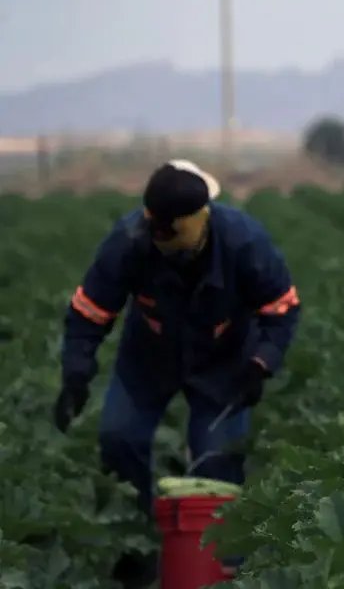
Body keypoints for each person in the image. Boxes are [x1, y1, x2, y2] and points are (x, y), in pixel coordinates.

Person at [52, 159, 300, 582]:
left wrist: (260, 365)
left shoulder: (243, 242)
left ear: (200, 219)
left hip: (224, 363)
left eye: (173, 230)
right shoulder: (129, 241)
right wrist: (76, 372)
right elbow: (89, 312)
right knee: (119, 438)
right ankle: (138, 544)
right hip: (148, 359)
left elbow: (281, 310)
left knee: (216, 462)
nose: (161, 237)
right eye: (155, 227)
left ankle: (217, 571)